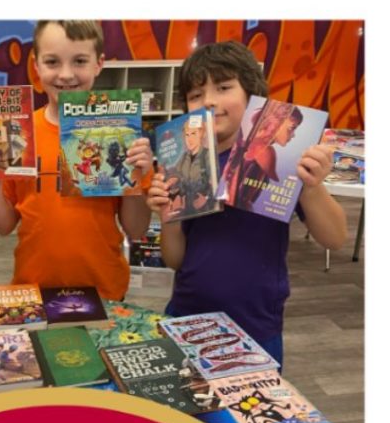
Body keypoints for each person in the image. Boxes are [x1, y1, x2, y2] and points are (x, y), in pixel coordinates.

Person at [147, 41, 347, 366]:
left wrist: (311, 188)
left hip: (256, 326)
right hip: (187, 316)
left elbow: (335, 238)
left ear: (253, 95)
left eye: (223, 87)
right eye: (196, 95)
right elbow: (174, 260)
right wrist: (168, 215)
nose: (209, 101)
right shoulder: (183, 164)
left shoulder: (282, 159)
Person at [0, 20, 153, 300]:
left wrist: (138, 177)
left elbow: (136, 229)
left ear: (99, 64)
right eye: (52, 62)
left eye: (80, 61)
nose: (66, 75)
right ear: (36, 66)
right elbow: (3, 226)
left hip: (104, 290)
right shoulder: (18, 133)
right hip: (33, 290)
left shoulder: (120, 134)